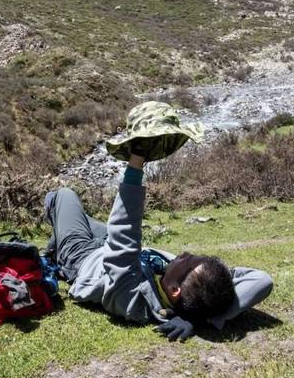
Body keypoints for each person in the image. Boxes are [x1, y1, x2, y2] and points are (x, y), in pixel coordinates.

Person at [44, 101, 274, 341]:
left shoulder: (131, 294)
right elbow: (262, 280)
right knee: (77, 216)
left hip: (83, 257)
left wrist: (137, 159)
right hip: (107, 244)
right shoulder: (195, 288)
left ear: (174, 290)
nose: (184, 254)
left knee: (63, 196)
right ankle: (57, 238)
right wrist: (201, 317)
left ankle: (57, 248)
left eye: (187, 261)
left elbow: (125, 232)